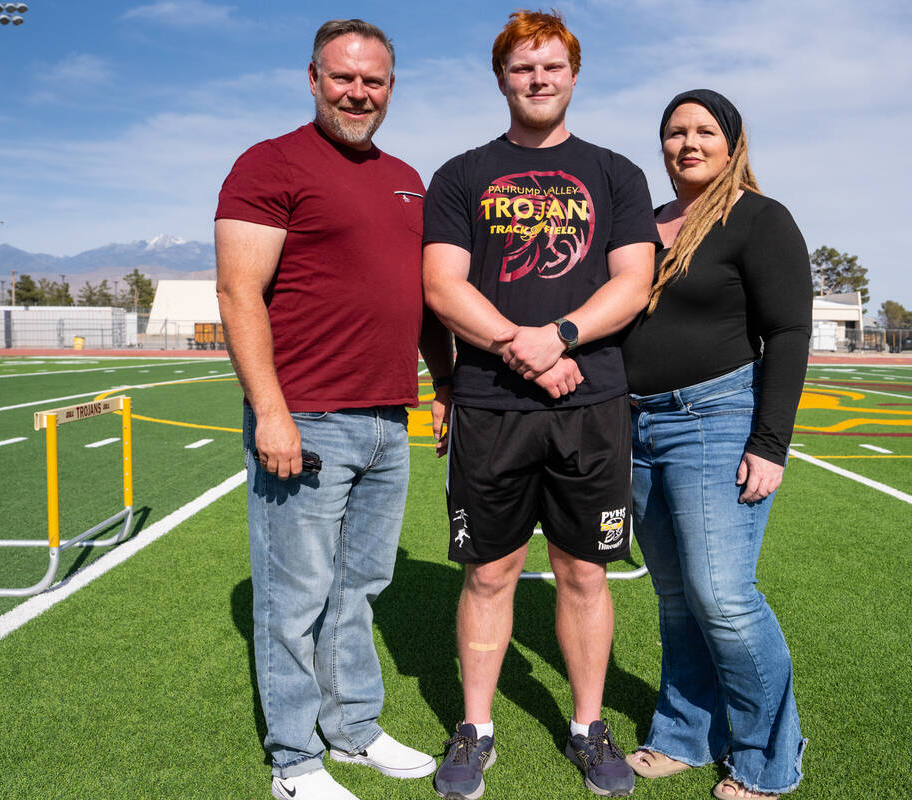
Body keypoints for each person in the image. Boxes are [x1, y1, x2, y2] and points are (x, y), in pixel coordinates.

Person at [421, 9, 657, 799]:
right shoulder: (461, 174)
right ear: (501, 78)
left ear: (574, 75)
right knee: (490, 573)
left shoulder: (616, 174)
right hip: (491, 407)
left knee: (583, 571)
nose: (538, 79)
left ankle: (588, 727)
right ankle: (475, 729)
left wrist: (558, 336)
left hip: (592, 407)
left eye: (552, 65)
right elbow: (442, 286)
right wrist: (521, 349)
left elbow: (633, 282)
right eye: (522, 67)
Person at [215, 19, 453, 800]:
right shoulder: (270, 162)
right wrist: (270, 411)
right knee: (294, 600)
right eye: (342, 77)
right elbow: (238, 292)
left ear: (391, 87)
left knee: (359, 589)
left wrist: (445, 382)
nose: (358, 93)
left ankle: (352, 729)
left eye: (372, 80)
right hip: (308, 418)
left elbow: (423, 297)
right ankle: (293, 760)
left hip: (388, 417)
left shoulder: (407, 177)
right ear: (313, 78)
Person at [620, 90, 810, 799]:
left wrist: (770, 443)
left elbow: (787, 333)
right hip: (634, 424)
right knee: (675, 596)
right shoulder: (642, 224)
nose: (688, 143)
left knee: (723, 597)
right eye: (675, 131)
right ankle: (684, 735)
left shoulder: (759, 218)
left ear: (732, 143)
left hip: (716, 417)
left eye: (705, 130)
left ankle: (767, 758)